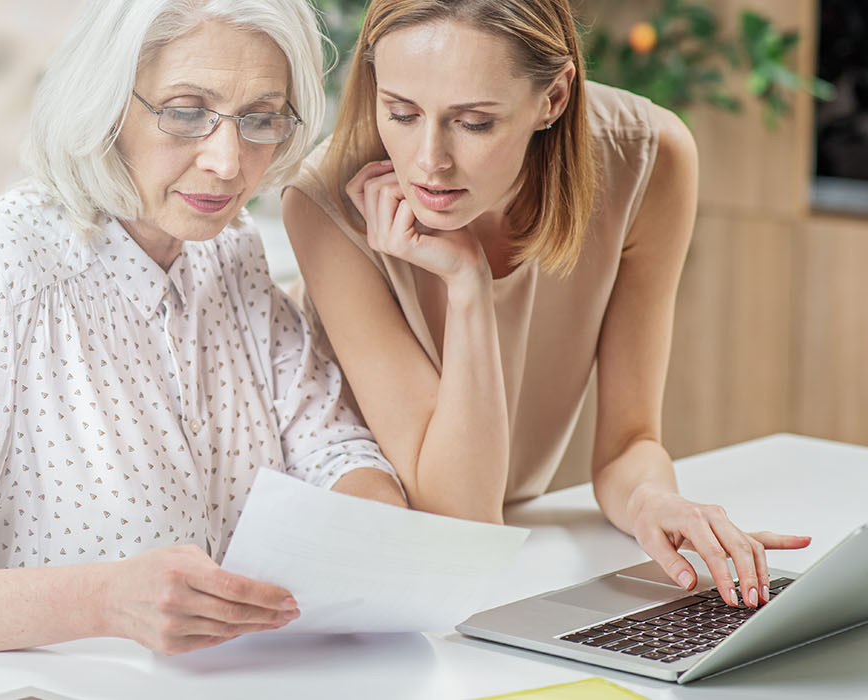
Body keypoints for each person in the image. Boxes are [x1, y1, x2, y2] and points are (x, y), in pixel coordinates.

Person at [0, 0, 406, 671]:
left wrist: (372, 538)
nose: (229, 162)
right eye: (185, 111)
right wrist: (104, 600)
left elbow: (335, 448)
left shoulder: (230, 252)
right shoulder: (5, 266)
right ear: (107, 103)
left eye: (260, 119)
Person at [282, 0, 809, 615]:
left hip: (501, 564)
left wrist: (654, 502)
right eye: (400, 112)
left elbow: (628, 443)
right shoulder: (326, 203)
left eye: (474, 122)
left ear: (555, 98)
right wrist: (468, 286)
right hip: (373, 585)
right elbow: (460, 524)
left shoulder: (647, 157)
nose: (429, 160)